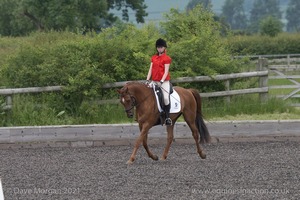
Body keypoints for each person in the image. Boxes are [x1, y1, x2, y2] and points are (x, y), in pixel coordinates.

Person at [146, 38, 172, 126]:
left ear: (164, 48)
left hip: (164, 82)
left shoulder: (167, 58)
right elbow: (150, 69)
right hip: (154, 81)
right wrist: (147, 80)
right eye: (158, 47)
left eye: (161, 47)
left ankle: (167, 117)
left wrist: (161, 81)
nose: (160, 49)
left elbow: (166, 71)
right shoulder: (153, 58)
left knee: (165, 98)